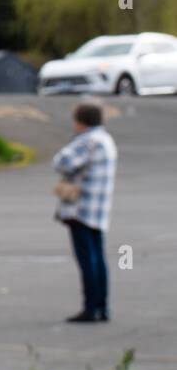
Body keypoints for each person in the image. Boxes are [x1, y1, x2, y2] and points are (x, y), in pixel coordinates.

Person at [52, 101, 117, 323]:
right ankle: (102, 306)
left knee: (86, 259)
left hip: (81, 208)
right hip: (99, 208)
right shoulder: (106, 140)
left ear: (81, 121)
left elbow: (61, 162)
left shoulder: (87, 141)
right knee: (98, 258)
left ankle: (90, 307)